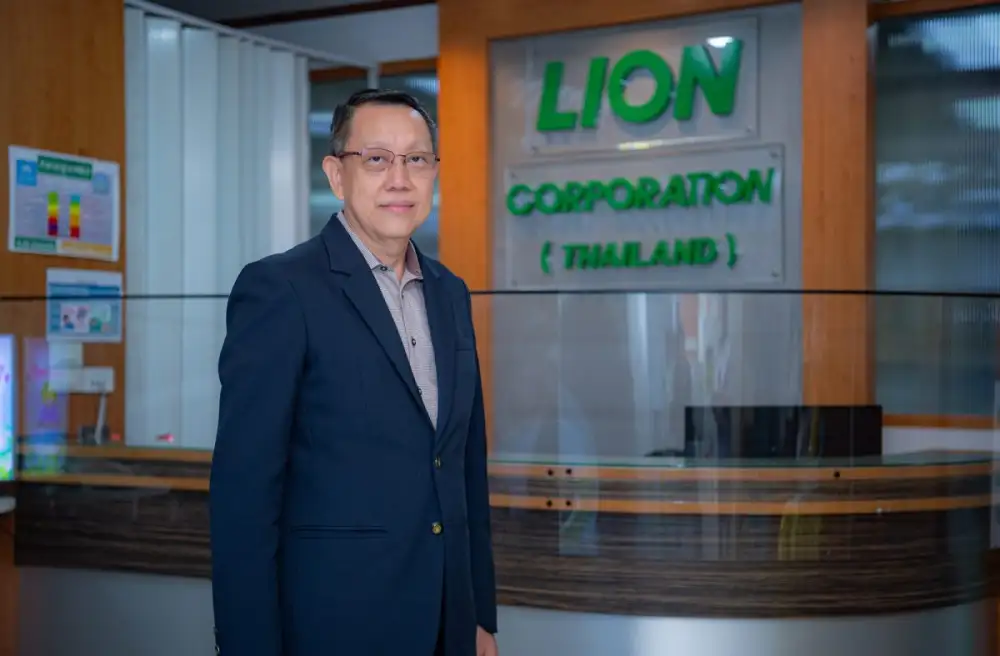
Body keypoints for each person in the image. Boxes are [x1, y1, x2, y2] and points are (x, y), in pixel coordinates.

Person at [210, 89, 499, 656]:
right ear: (336, 175)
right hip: (332, 624)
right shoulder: (282, 289)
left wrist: (478, 615)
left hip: (446, 626)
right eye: (376, 159)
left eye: (417, 159)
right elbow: (244, 495)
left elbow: (464, 469)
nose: (400, 179)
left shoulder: (450, 292)